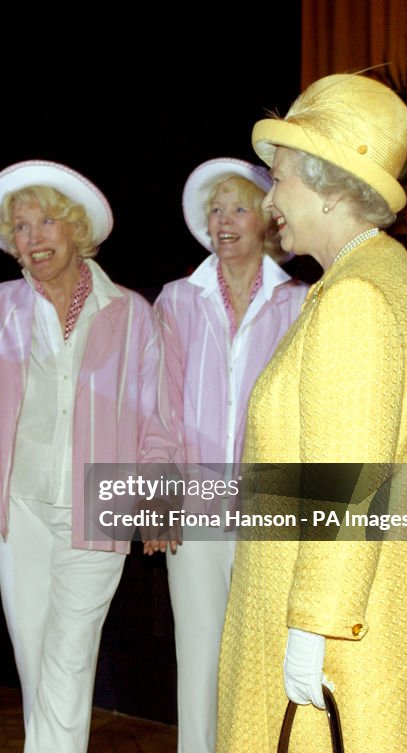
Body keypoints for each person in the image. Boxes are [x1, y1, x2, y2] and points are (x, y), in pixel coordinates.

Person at [216, 73, 407, 752]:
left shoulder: (355, 299)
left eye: (280, 179)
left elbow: (347, 476)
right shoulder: (385, 274)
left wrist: (312, 627)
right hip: (380, 607)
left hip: (343, 640)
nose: (270, 198)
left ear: (332, 187)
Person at [0, 159, 175, 753]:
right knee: (35, 653)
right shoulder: (1, 304)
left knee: (69, 657)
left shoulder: (131, 313)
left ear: (76, 230)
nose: (34, 236)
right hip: (18, 505)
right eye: (22, 227)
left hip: (101, 502)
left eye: (47, 221)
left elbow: (159, 416)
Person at [146, 158, 306, 753]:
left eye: (238, 208)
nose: (224, 221)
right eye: (215, 210)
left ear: (267, 220)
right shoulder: (177, 300)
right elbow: (158, 408)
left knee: (267, 656)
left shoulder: (300, 302)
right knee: (200, 657)